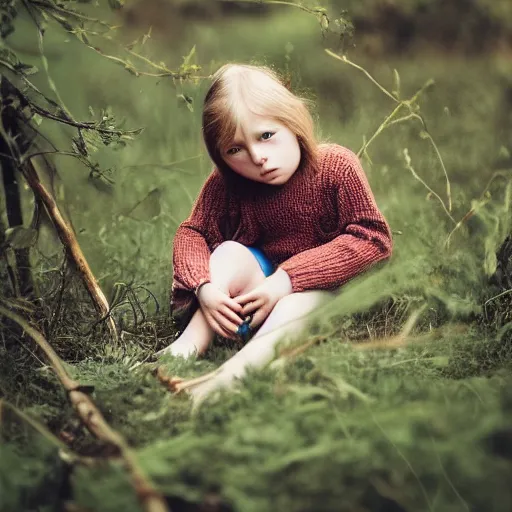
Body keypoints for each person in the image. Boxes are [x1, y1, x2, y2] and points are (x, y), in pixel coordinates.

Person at [155, 63, 392, 402]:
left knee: (294, 303)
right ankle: (188, 346)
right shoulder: (227, 185)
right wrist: (203, 287)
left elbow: (373, 239)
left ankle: (232, 375)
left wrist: (287, 279)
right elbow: (192, 233)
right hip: (261, 289)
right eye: (235, 150)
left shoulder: (336, 168)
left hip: (327, 293)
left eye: (266, 136)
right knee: (227, 253)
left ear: (293, 123)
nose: (258, 157)